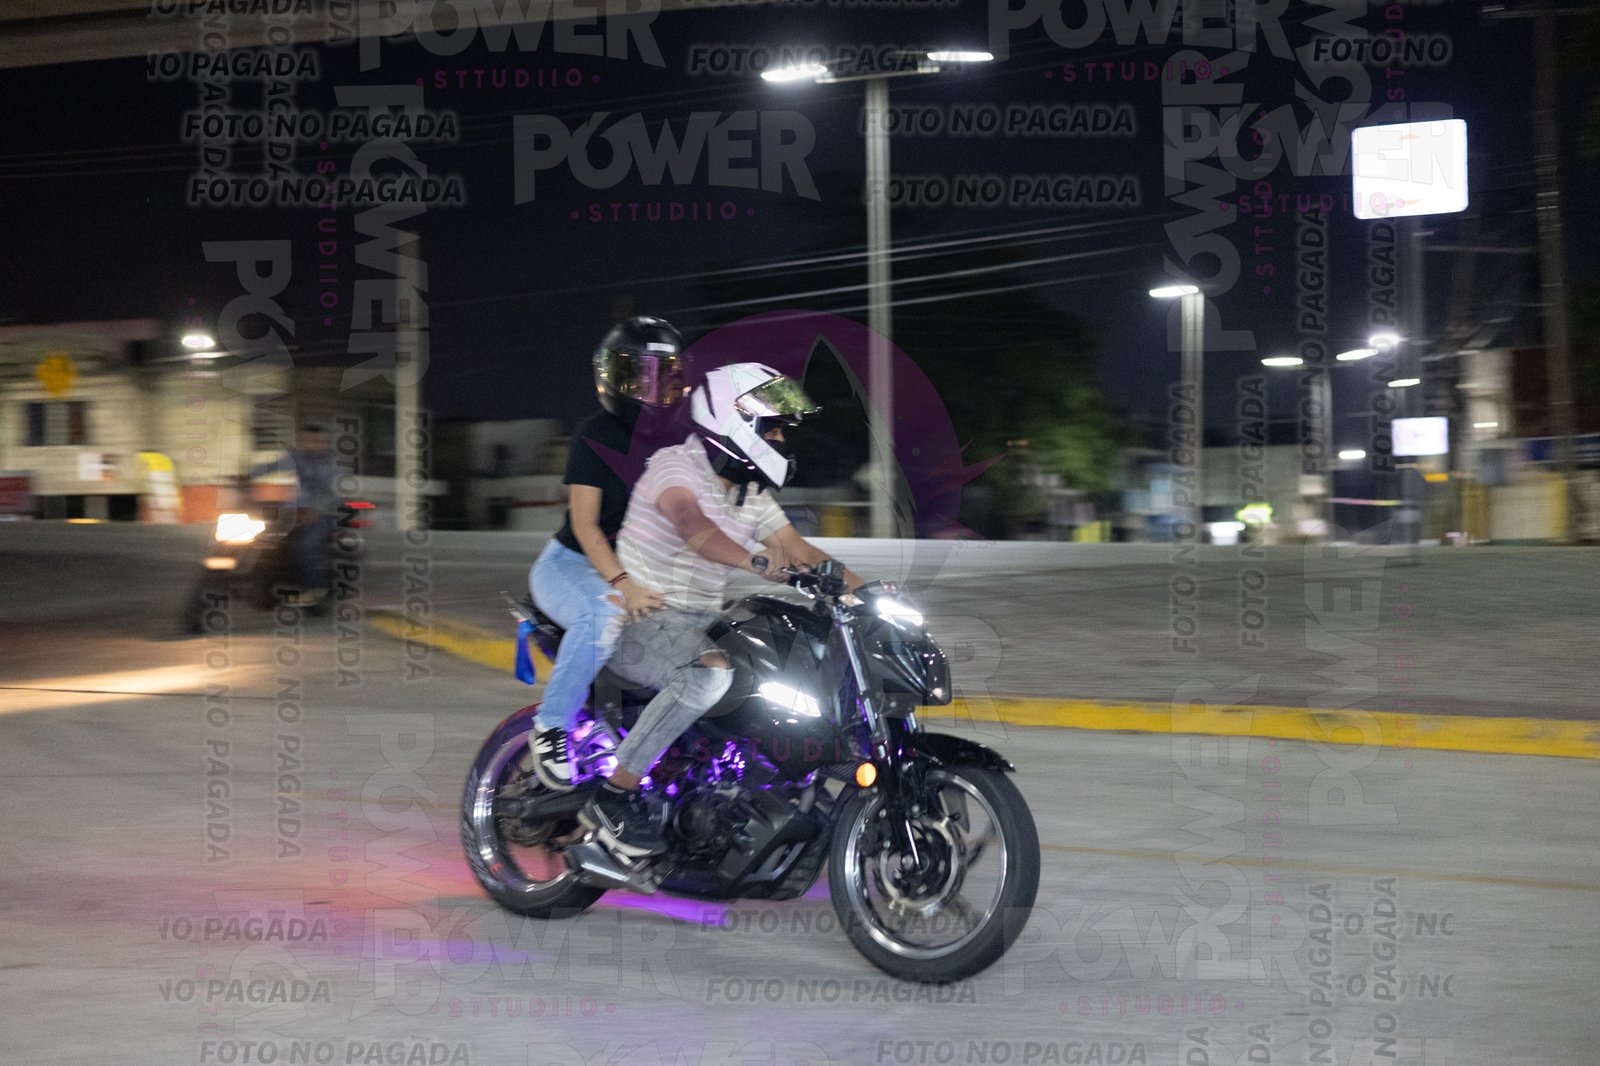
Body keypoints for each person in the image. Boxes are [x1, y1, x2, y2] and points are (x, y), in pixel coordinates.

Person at [579, 362, 865, 861]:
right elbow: (693, 527)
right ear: (735, 421)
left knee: (791, 654)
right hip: (639, 619)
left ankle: (757, 787)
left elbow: (799, 549)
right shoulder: (676, 467)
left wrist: (874, 596)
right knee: (707, 674)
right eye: (772, 428)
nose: (780, 439)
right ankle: (614, 794)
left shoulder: (751, 495)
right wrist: (756, 560)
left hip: (699, 620)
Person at [528, 316, 690, 790]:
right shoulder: (596, 434)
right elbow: (585, 525)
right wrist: (623, 583)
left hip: (637, 574)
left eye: (662, 374)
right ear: (616, 378)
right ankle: (551, 726)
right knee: (604, 614)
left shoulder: (680, 442)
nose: (651, 387)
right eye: (639, 375)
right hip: (571, 566)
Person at [248, 423, 336, 605]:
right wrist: (244, 476)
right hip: (291, 513)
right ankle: (264, 586)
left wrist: (315, 511)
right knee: (263, 541)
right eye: (306, 440)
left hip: (321, 515)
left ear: (325, 443)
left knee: (308, 547)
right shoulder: (294, 458)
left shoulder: (332, 465)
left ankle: (316, 594)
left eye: (317, 441)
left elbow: (332, 493)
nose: (311, 445)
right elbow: (269, 467)